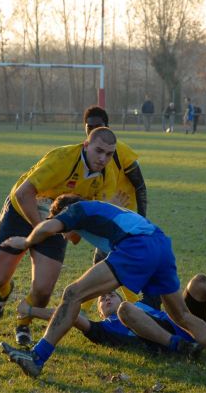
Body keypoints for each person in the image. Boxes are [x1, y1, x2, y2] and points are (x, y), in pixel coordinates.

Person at [0, 194, 206, 378]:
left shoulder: (76, 210)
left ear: (64, 213)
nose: (64, 236)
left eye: (62, 226)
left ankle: (37, 357)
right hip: (160, 244)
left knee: (72, 293)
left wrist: (27, 240)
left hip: (137, 246)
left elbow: (49, 227)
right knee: (181, 315)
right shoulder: (98, 214)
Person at [0, 127, 119, 346]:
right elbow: (23, 194)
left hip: (58, 220)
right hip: (22, 210)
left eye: (109, 154)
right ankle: (3, 292)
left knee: (43, 291)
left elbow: (89, 215)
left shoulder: (107, 178)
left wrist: (73, 232)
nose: (104, 158)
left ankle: (23, 323)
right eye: (99, 151)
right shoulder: (62, 159)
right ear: (86, 145)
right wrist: (40, 230)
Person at [82, 105, 159, 309]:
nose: (92, 131)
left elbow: (140, 186)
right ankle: (143, 310)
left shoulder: (120, 151)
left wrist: (141, 220)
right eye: (89, 127)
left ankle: (82, 308)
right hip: (107, 219)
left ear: (107, 127)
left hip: (127, 221)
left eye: (97, 126)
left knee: (110, 266)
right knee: (107, 265)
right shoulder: (86, 154)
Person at [16, 290, 203, 358]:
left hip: (189, 330)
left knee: (196, 284)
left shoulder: (141, 305)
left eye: (111, 295)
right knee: (126, 310)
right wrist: (30, 311)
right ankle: (179, 345)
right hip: (159, 345)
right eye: (102, 299)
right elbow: (66, 315)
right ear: (99, 312)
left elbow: (157, 281)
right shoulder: (102, 329)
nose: (106, 298)